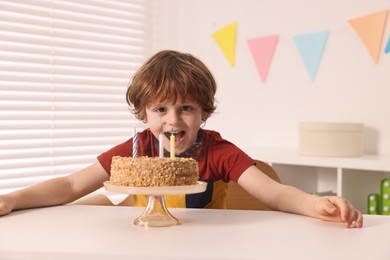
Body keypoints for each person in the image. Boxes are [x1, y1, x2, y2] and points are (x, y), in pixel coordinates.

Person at [0, 50, 363, 228]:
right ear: (143, 114)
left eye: (186, 108)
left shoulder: (218, 151)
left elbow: (275, 193)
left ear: (204, 112)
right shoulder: (136, 149)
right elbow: (69, 184)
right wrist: (12, 199)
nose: (172, 121)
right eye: (160, 109)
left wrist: (318, 205)